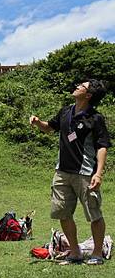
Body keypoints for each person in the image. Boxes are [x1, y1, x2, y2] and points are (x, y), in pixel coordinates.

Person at [30, 79, 111, 265]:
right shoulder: (66, 111)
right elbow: (49, 127)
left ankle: (97, 253)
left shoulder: (95, 118)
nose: (77, 86)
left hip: (85, 172)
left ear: (88, 95)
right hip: (62, 172)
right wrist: (37, 122)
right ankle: (74, 252)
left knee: (94, 213)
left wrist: (98, 173)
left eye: (82, 86)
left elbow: (102, 146)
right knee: (63, 213)